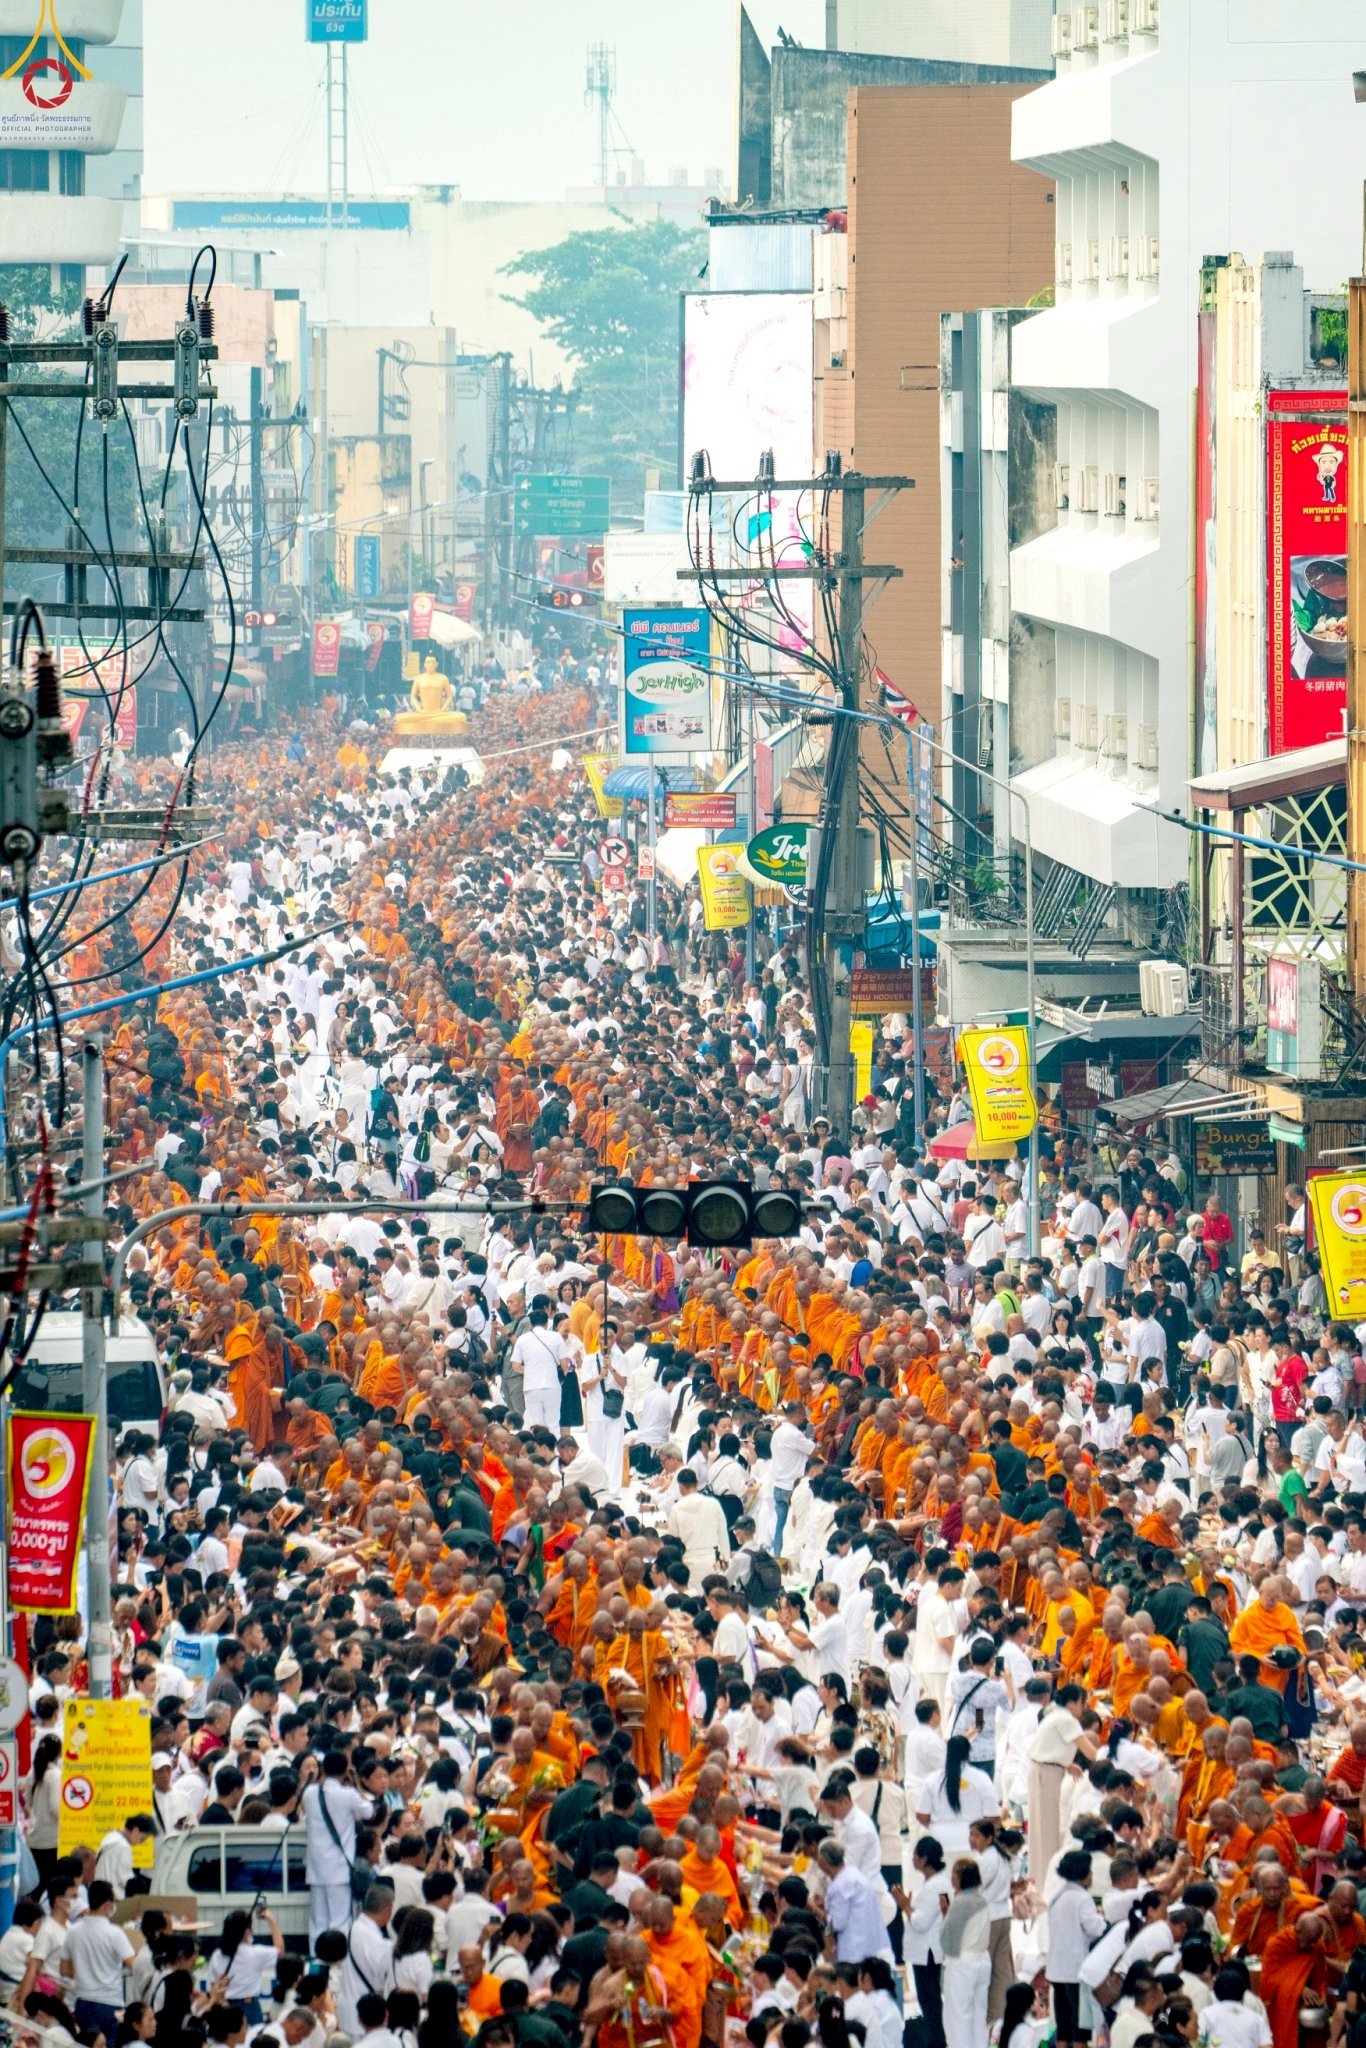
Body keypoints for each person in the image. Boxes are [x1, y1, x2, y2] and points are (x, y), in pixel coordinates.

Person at [941, 1858, 992, 2048]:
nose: (951, 1877)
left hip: (962, 1962)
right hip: (982, 1959)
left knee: (959, 2019)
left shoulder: (961, 1902)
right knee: (979, 2017)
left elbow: (948, 1941)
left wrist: (945, 1915)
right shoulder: (981, 1899)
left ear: (962, 1877)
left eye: (954, 1873)